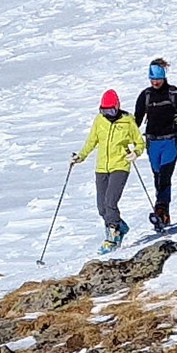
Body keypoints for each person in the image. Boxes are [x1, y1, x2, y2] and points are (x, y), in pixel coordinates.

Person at [71, 90, 143, 251]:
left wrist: (135, 153)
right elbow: (92, 141)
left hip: (120, 166)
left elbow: (140, 143)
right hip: (102, 167)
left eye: (110, 111)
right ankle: (119, 226)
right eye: (104, 111)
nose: (107, 114)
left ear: (117, 107)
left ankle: (112, 238)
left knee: (110, 202)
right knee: (101, 207)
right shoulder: (99, 121)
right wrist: (81, 156)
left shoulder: (127, 121)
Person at [131, 58, 177, 231]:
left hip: (170, 141)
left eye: (157, 78)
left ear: (164, 77)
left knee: (165, 176)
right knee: (158, 178)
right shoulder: (146, 95)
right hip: (152, 142)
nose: (155, 82)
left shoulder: (174, 93)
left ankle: (160, 210)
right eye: (152, 78)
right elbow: (136, 120)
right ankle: (163, 215)